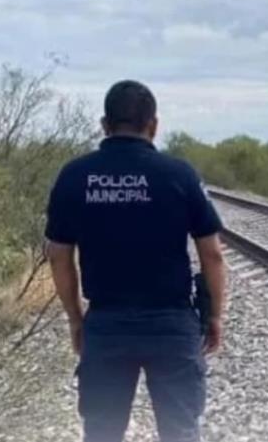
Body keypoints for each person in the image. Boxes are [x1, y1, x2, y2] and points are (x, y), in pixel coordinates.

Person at [44, 80, 227, 442]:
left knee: (102, 434)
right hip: (172, 325)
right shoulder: (180, 174)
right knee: (180, 433)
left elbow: (58, 258)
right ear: (153, 125)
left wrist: (76, 319)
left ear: (104, 125)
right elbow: (213, 255)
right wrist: (216, 314)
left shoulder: (75, 176)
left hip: (106, 325)